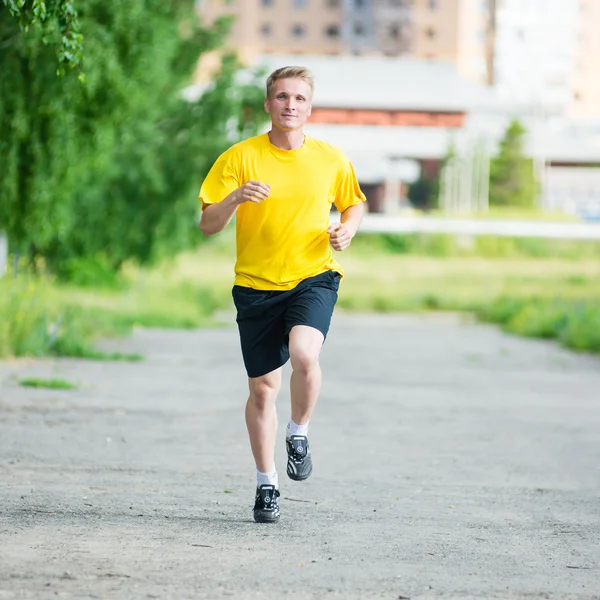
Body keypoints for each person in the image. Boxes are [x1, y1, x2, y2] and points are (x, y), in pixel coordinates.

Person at [198, 66, 366, 523]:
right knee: (262, 392)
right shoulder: (239, 158)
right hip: (255, 286)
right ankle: (266, 484)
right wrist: (234, 199)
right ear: (268, 104)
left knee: (305, 354)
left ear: (310, 107)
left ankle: (299, 432)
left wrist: (346, 229)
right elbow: (207, 224)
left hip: (314, 275)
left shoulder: (330, 158)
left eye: (300, 99)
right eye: (282, 97)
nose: (291, 105)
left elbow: (354, 202)